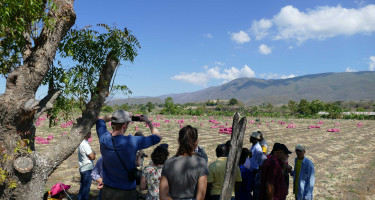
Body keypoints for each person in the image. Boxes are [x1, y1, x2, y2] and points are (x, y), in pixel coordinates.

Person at [96, 110, 162, 200]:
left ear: (112, 124)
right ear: (124, 126)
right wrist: (148, 121)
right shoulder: (132, 141)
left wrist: (117, 117)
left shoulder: (104, 138)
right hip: (126, 192)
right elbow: (158, 137)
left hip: (107, 190)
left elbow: (99, 119)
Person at [159, 125, 209, 200]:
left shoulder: (168, 163)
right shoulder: (201, 162)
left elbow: (163, 196)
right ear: (196, 142)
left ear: (179, 141)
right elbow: (201, 196)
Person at [78, 132, 95, 200]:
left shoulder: (81, 143)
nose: (90, 133)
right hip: (87, 169)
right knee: (86, 189)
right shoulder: (85, 144)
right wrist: (93, 154)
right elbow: (92, 157)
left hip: (83, 168)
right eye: (89, 132)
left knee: (83, 188)